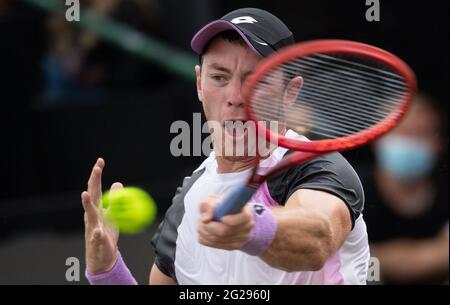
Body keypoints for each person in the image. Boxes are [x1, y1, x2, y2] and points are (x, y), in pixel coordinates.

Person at [81, 8, 370, 285]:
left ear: (290, 93)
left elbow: (317, 237)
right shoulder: (186, 205)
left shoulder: (316, 168)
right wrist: (107, 272)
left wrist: (252, 228)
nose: (235, 96)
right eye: (219, 77)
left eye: (256, 80)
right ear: (199, 84)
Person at [362, 94, 449, 284]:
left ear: (439, 145)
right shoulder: (351, 190)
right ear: (378, 138)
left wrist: (379, 256)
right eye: (403, 132)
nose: (411, 141)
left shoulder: (445, 192)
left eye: (421, 133)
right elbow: (350, 266)